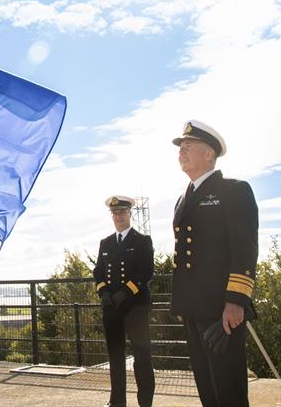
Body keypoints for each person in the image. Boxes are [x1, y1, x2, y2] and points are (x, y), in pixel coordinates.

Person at [170, 119, 258, 407]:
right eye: (180, 147)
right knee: (207, 390)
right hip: (194, 309)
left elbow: (244, 250)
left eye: (188, 146)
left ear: (209, 153)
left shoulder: (233, 190)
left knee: (228, 391)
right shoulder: (182, 200)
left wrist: (236, 301)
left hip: (222, 311)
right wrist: (181, 305)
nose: (181, 151)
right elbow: (182, 256)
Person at [93, 195, 155, 407]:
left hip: (135, 306)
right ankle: (117, 402)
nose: (118, 216)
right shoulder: (106, 243)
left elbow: (146, 271)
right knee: (116, 357)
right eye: (115, 213)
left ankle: (145, 402)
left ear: (130, 214)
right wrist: (103, 293)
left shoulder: (142, 240)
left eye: (122, 212)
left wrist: (125, 292)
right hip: (111, 307)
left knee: (142, 356)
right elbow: (98, 271)